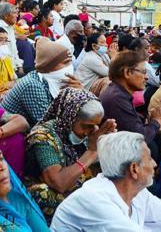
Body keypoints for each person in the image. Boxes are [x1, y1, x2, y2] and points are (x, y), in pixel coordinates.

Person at [51, 132, 161, 231]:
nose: (154, 164)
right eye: (150, 158)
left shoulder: (138, 193)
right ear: (134, 169)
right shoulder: (95, 200)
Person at [24, 88, 116, 221]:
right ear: (69, 117)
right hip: (49, 192)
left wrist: (107, 144)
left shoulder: (88, 133)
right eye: (86, 126)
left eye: (95, 125)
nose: (90, 131)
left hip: (74, 186)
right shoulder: (42, 137)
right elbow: (59, 183)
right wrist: (92, 151)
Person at [100, 51, 161, 163]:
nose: (147, 77)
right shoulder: (117, 98)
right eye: (143, 72)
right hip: (116, 154)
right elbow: (139, 137)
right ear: (127, 72)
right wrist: (157, 121)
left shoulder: (119, 92)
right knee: (151, 147)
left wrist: (155, 124)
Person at [1, 38, 80, 126]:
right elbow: (49, 125)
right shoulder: (33, 85)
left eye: (70, 62)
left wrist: (79, 94)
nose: (69, 67)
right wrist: (77, 99)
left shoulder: (52, 81)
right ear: (50, 66)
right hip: (8, 134)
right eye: (65, 63)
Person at [0, 2, 23, 72]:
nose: (17, 16)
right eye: (14, 13)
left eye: (17, 13)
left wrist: (19, 66)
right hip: (5, 69)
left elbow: (14, 51)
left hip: (13, 67)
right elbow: (2, 55)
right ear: (6, 16)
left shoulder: (10, 27)